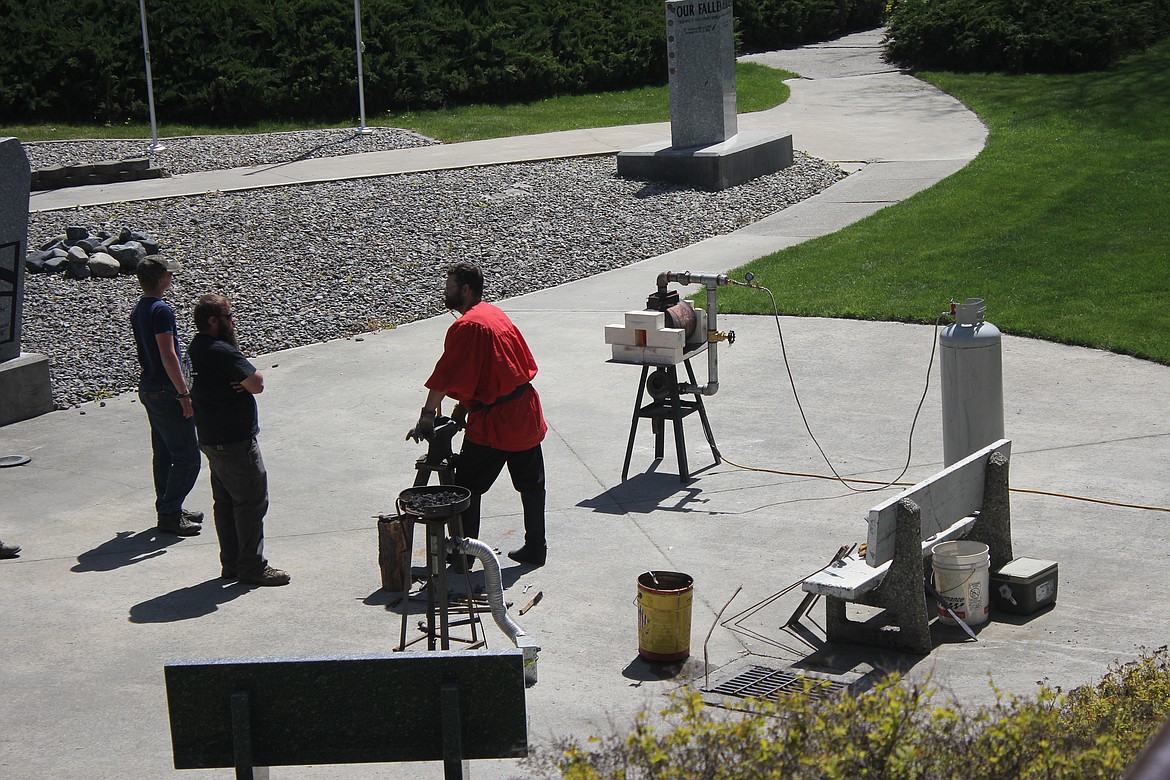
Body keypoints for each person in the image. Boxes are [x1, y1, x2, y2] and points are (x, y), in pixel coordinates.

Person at [408, 262, 548, 567]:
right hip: (524, 412)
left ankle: (463, 556)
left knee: (466, 487)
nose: (445, 292)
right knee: (531, 484)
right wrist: (461, 411)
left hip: (497, 422)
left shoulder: (468, 326)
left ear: (465, 290)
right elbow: (491, 370)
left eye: (450, 287)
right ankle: (536, 548)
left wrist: (427, 416)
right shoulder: (493, 313)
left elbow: (446, 375)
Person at [188, 294, 289, 586]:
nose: (234, 322)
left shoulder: (196, 349)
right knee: (251, 502)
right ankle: (252, 566)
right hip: (234, 441)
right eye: (229, 317)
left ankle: (231, 563)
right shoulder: (221, 351)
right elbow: (257, 383)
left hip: (210, 437)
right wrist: (242, 377)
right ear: (213, 321)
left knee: (226, 502)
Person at [131, 256, 202, 536]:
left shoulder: (140, 308)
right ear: (161, 279)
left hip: (149, 387)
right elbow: (168, 354)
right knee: (187, 457)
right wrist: (184, 392)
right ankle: (170, 513)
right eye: (169, 275)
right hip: (166, 390)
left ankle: (169, 506)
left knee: (163, 453)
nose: (171, 279)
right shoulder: (161, 310)